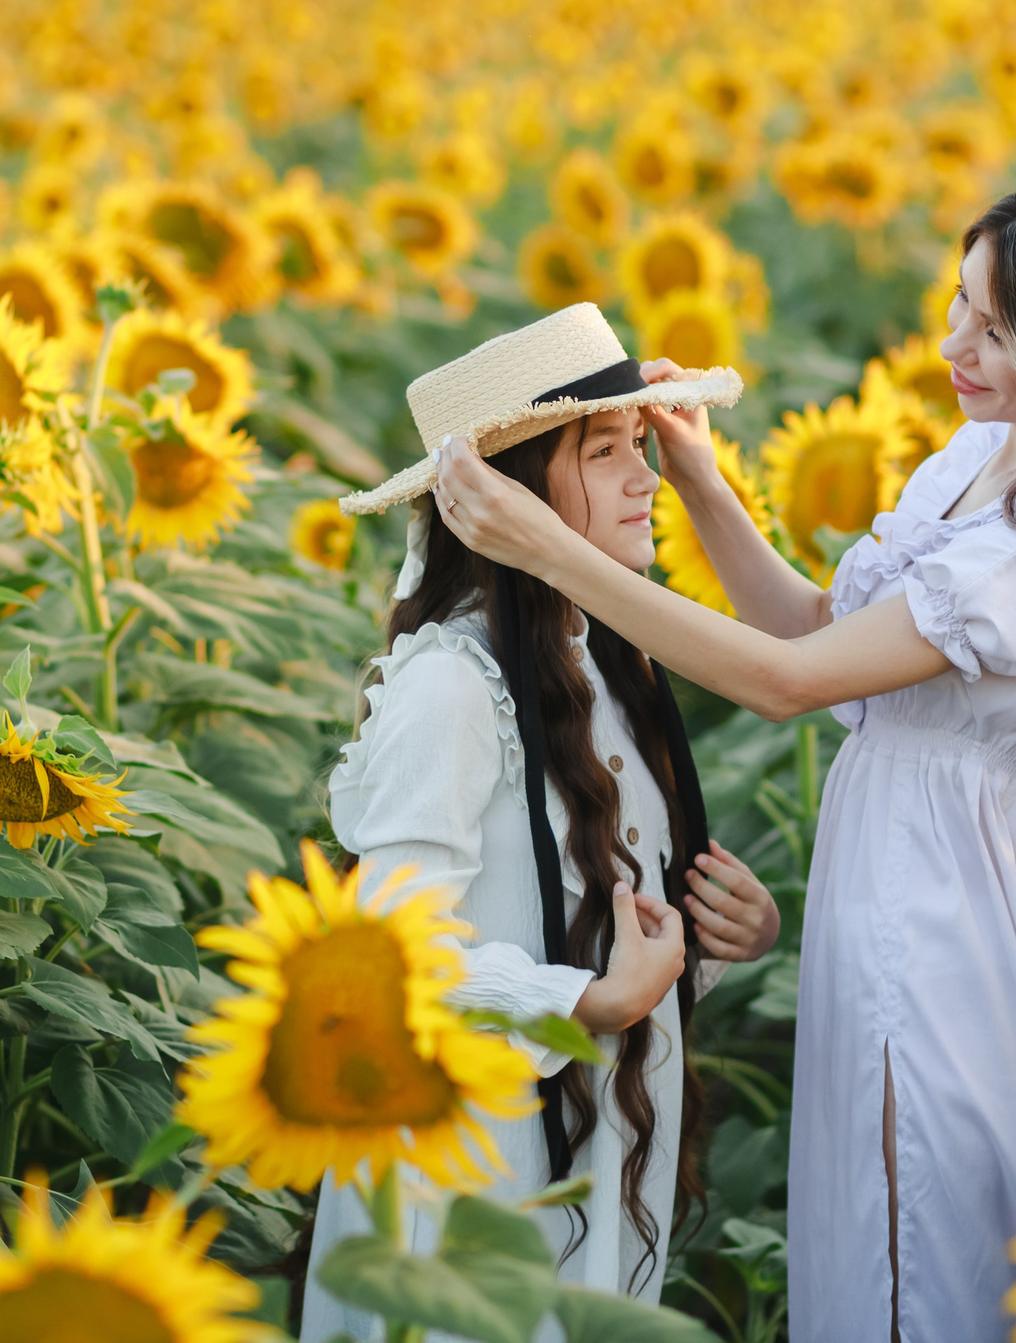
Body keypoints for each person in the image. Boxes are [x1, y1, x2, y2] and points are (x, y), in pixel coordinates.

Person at [435, 173, 1016, 1342]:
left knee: (925, 1214)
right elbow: (812, 633)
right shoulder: (982, 455)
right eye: (958, 303)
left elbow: (783, 687)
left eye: (998, 329)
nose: (954, 342)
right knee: (881, 1203)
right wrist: (704, 482)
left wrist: (552, 551)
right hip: (905, 874)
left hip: (948, 909)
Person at [302, 303, 785, 1343]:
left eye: (640, 447)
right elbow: (390, 959)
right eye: (604, 451)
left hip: (593, 1146)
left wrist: (709, 944)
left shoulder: (610, 663)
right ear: (512, 496)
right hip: (479, 1174)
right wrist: (590, 1002)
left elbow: (585, 916)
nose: (643, 480)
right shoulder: (453, 684)